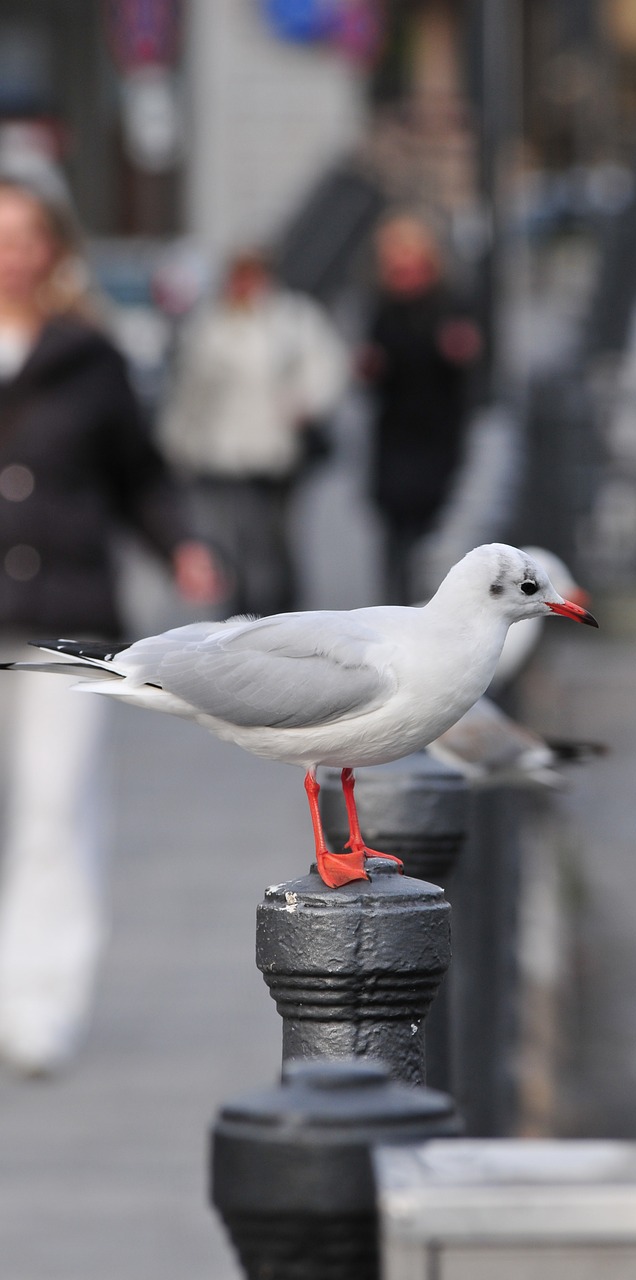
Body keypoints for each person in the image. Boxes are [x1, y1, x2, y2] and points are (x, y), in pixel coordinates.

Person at [0, 176, 221, 1075]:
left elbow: (140, 474)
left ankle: (38, 1005)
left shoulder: (92, 355)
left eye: (23, 234)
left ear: (55, 247)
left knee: (55, 809)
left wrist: (181, 546)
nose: (9, 250)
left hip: (67, 619)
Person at [159, 250, 350, 616]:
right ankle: (239, 612)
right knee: (230, 540)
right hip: (221, 454)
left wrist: (305, 403)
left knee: (273, 540)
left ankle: (278, 609)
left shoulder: (292, 317)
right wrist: (176, 442)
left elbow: (327, 367)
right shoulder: (210, 323)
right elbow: (190, 391)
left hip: (277, 453)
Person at [361, 212, 483, 603]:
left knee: (436, 533)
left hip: (437, 439)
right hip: (396, 440)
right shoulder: (381, 309)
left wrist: (461, 351)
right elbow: (374, 372)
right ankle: (397, 608)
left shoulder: (449, 305)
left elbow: (471, 363)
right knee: (397, 537)